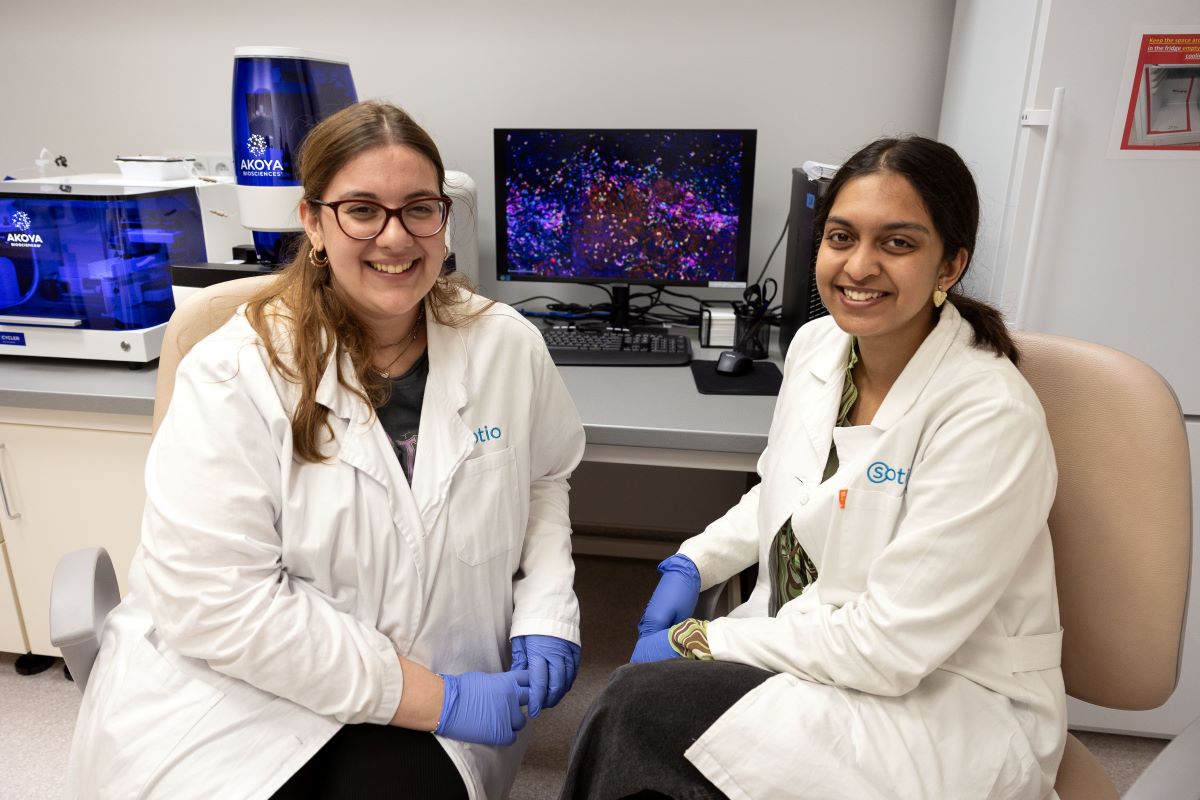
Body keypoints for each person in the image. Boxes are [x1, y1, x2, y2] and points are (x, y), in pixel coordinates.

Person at [65, 100, 587, 800]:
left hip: (431, 684)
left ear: (444, 219)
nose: (396, 237)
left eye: (420, 209)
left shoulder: (506, 345)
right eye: (362, 210)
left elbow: (544, 478)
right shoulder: (234, 372)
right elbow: (218, 602)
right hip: (238, 698)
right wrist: (439, 699)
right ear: (313, 222)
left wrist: (547, 612)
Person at [560, 136, 1065, 800]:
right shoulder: (819, 344)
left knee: (636, 709)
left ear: (950, 265)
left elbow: (890, 648)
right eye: (841, 237)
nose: (859, 265)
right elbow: (786, 489)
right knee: (639, 718)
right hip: (816, 647)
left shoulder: (989, 416)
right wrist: (694, 562)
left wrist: (703, 639)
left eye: (898, 243)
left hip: (942, 697)